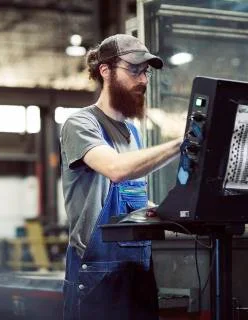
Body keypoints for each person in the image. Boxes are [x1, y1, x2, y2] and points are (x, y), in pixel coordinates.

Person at [60, 34, 183, 320]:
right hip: (97, 277)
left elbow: (133, 200)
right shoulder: (81, 123)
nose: (142, 80)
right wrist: (182, 143)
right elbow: (116, 170)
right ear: (106, 71)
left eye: (146, 72)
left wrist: (179, 218)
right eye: (134, 70)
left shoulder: (134, 133)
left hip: (137, 272)